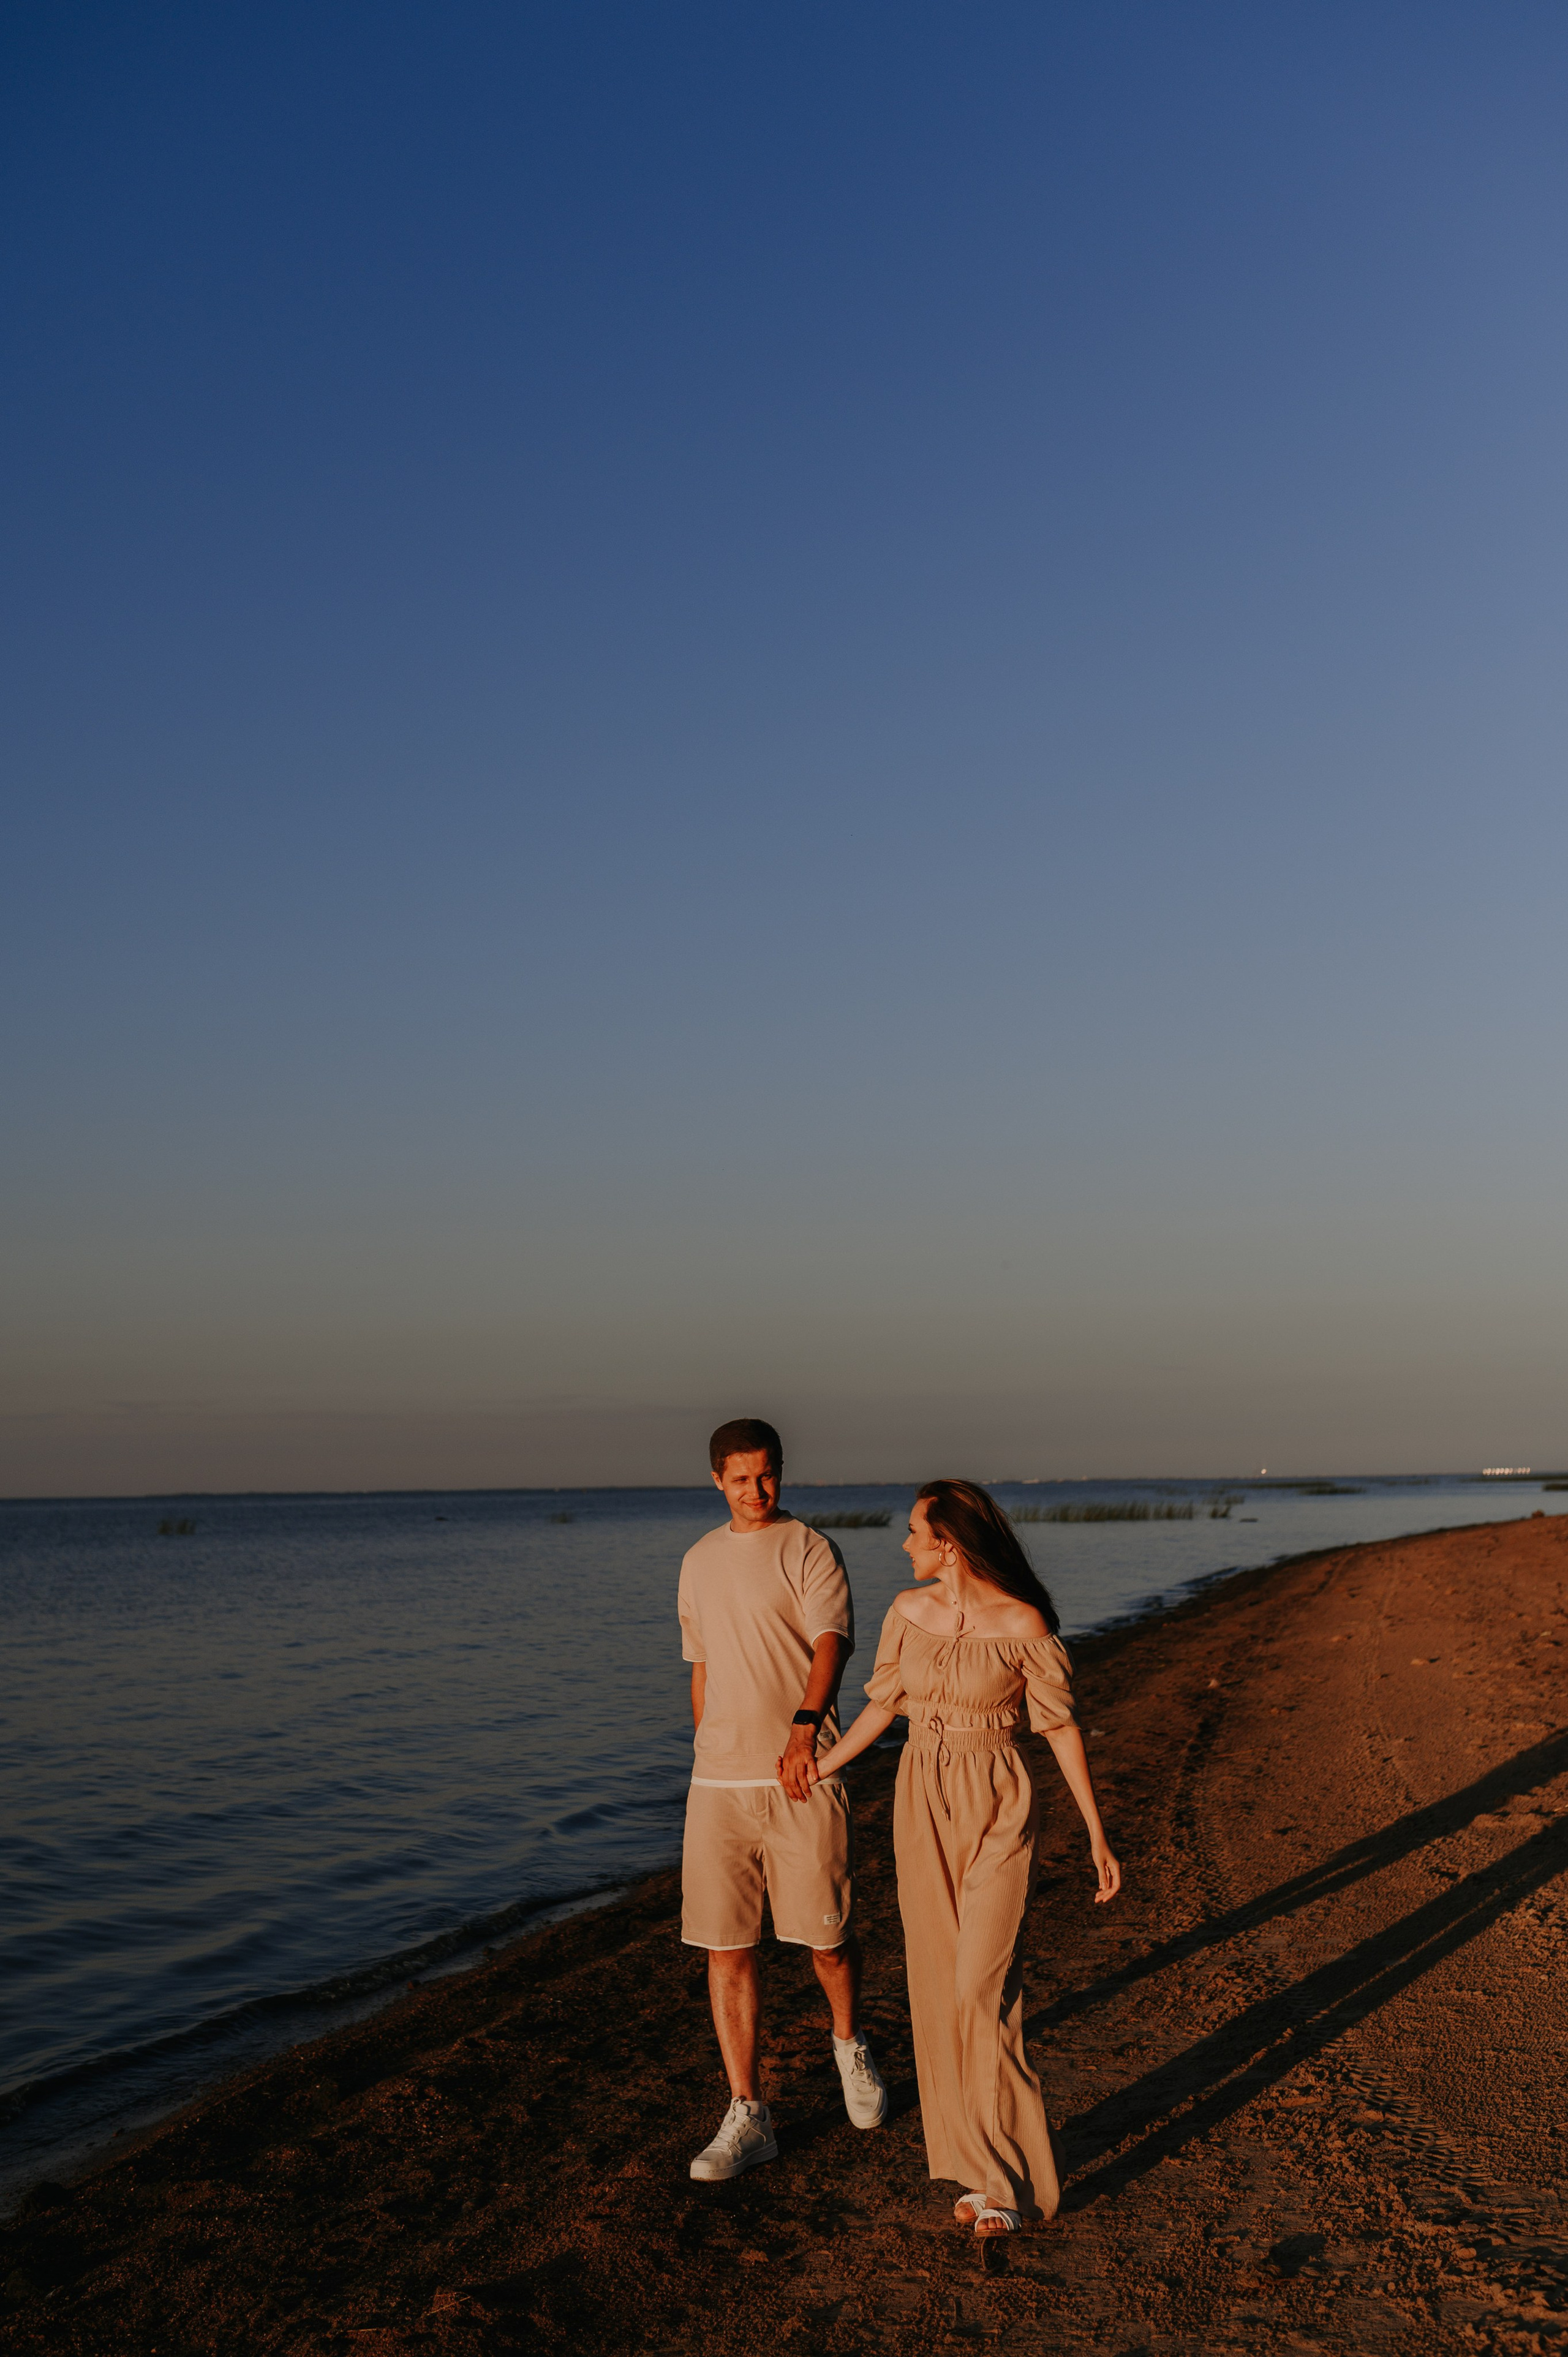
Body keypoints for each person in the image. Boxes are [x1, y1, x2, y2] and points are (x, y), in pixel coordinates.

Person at [806, 1479, 1120, 2236]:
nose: (905, 1544)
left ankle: (1008, 2185)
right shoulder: (908, 1613)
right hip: (921, 1797)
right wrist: (822, 1765)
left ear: (948, 1540)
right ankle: (978, 2169)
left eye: (915, 1531)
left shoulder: (1022, 1621)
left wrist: (1096, 1831)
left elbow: (1058, 1726)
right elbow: (884, 1704)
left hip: (999, 1801)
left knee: (984, 1988)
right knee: (941, 1987)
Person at [678, 1417, 890, 2181]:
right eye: (740, 1478)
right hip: (718, 1785)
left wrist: (804, 1729)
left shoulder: (809, 1547)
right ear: (716, 1480)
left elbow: (831, 1641)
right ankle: (748, 2112)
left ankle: (848, 2043)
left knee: (826, 1940)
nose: (756, 1489)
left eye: (766, 1474)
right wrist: (705, 1747)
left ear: (780, 1471)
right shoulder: (698, 1559)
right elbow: (700, 1663)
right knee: (726, 1949)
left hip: (805, 1772)